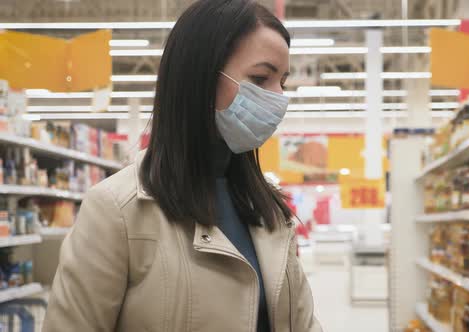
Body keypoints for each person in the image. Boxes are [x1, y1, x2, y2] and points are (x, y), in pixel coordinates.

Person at [42, 0, 322, 331]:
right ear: (200, 76)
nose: (278, 98)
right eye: (261, 79)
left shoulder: (270, 211)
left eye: (283, 82)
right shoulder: (117, 211)